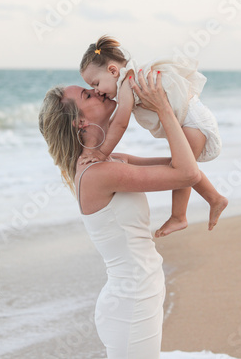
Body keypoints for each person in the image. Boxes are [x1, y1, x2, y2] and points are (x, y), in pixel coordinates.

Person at [39, 71, 201, 359]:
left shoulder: (112, 161)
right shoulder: (97, 174)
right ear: (80, 121)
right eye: (87, 95)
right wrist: (163, 108)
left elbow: (186, 162)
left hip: (140, 293)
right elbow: (187, 174)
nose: (99, 91)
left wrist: (180, 106)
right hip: (131, 302)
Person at [79, 35, 228, 236]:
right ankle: (214, 198)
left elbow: (121, 123)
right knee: (183, 166)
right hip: (193, 119)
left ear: (113, 70)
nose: (97, 91)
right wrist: (100, 149)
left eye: (96, 83)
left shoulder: (126, 83)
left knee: (182, 170)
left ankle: (179, 216)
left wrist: (101, 153)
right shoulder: (130, 77)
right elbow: (115, 122)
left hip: (193, 121)